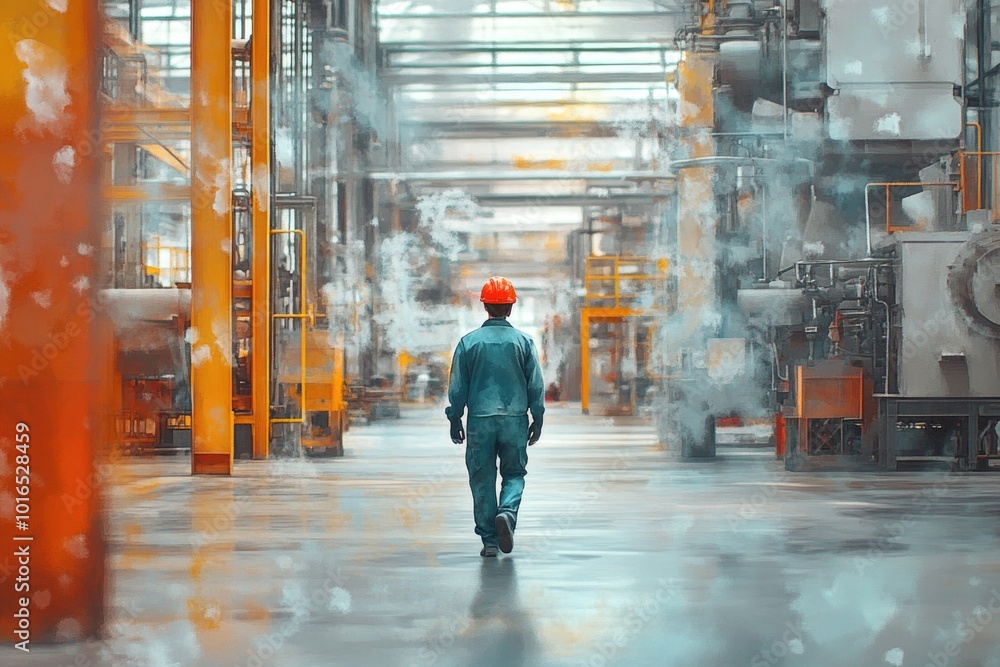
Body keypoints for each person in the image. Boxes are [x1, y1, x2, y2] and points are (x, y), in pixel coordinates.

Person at [446, 276, 545, 557]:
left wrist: (455, 418)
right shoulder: (524, 343)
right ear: (511, 308)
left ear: (485, 307)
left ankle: (490, 540)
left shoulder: (468, 343)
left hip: (480, 421)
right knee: (514, 473)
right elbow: (535, 385)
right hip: (514, 419)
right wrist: (537, 417)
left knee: (482, 479)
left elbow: (457, 388)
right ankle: (508, 513)